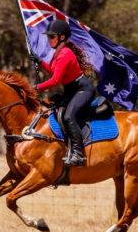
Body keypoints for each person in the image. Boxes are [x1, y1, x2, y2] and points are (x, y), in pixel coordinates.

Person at [30, 19, 95, 167]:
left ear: (62, 38)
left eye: (51, 37)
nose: (49, 40)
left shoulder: (65, 54)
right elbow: (54, 71)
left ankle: (78, 154)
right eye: (48, 37)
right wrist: (40, 62)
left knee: (69, 116)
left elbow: (55, 81)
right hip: (72, 90)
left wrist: (37, 87)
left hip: (82, 89)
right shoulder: (58, 53)